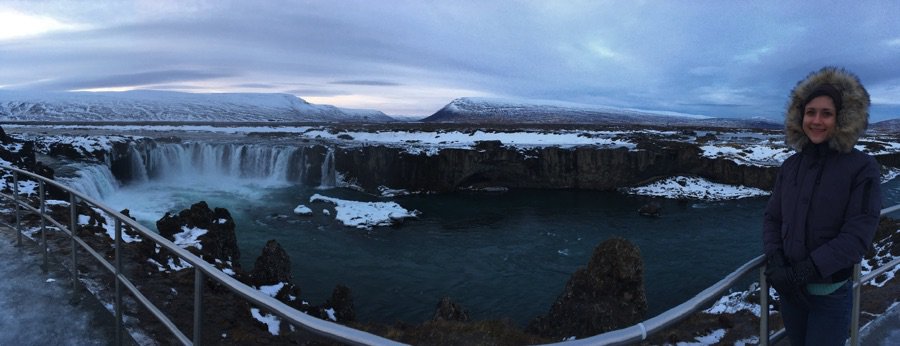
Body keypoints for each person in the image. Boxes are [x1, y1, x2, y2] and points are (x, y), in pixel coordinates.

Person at [762, 66, 882, 345]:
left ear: (841, 118)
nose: (816, 120)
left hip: (830, 296)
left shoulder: (862, 168)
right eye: (810, 112)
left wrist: (803, 273)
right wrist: (776, 260)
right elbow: (772, 218)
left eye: (826, 113)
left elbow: (857, 236)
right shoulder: (791, 166)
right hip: (790, 293)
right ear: (799, 116)